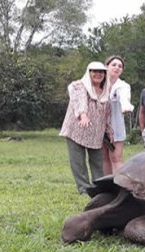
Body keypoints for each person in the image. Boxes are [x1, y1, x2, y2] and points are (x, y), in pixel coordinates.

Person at [59, 61, 111, 194]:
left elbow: (107, 113)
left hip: (95, 133)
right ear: (89, 73)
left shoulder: (105, 91)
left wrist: (108, 129)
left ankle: (99, 188)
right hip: (76, 130)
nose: (98, 74)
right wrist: (83, 115)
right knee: (78, 162)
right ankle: (83, 189)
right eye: (95, 71)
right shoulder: (79, 86)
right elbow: (80, 101)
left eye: (101, 72)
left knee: (97, 161)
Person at [102, 55, 134, 175]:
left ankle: (119, 186)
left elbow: (124, 98)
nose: (117, 68)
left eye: (120, 66)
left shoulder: (123, 86)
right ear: (106, 66)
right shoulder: (98, 83)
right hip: (100, 126)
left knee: (116, 158)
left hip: (116, 127)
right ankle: (106, 187)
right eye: (114, 65)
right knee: (104, 159)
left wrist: (126, 105)